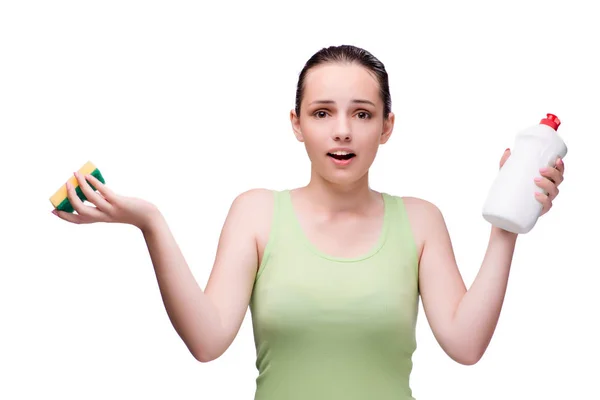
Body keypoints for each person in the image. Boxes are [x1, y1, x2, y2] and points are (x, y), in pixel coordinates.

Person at [52, 45, 566, 400]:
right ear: (296, 123)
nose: (342, 131)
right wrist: (151, 222)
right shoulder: (256, 212)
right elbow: (207, 342)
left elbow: (466, 346)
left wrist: (508, 225)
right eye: (322, 113)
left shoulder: (420, 220)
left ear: (387, 126)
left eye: (362, 114)